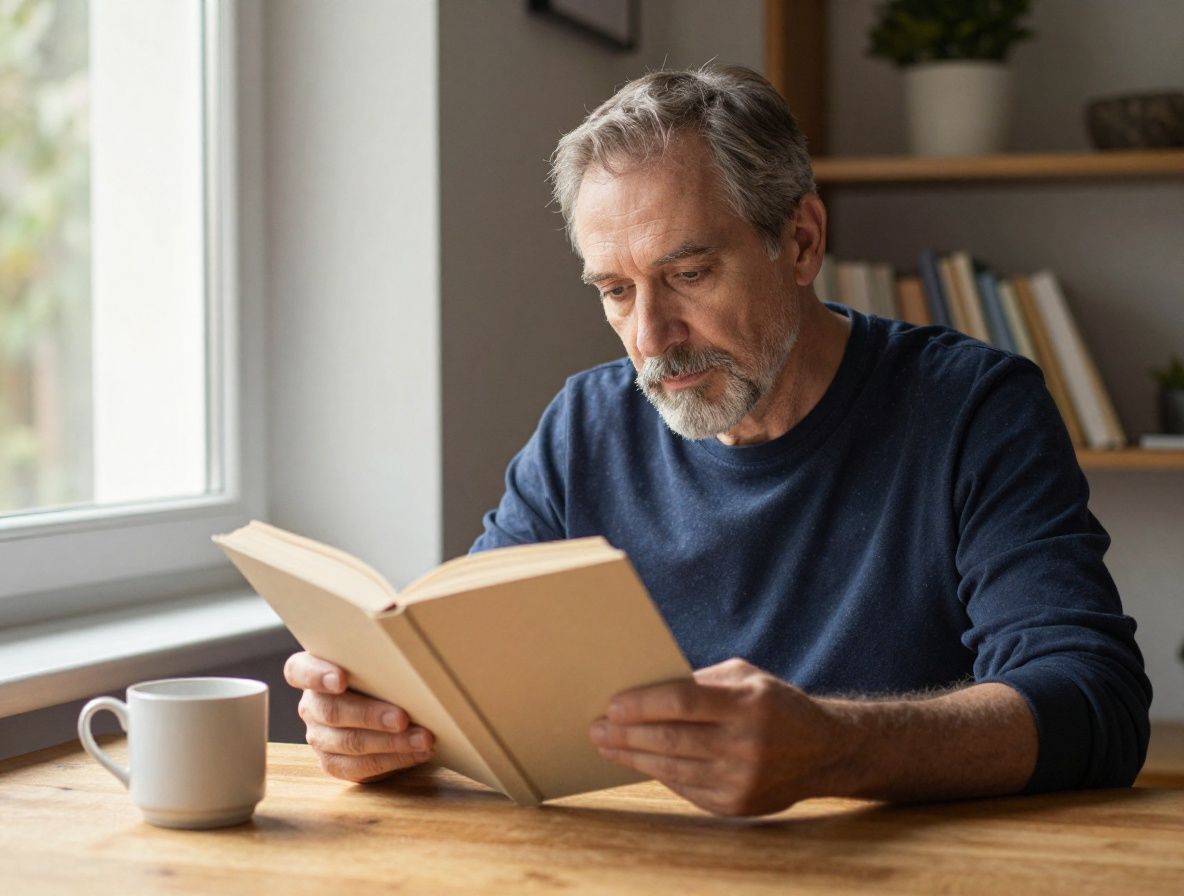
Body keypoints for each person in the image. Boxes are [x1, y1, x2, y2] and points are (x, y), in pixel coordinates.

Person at [284, 65, 1151, 817]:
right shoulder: (584, 427)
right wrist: (385, 725)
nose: (653, 338)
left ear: (801, 240)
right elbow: (470, 673)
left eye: (688, 274)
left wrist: (837, 748)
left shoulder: (973, 409)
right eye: (616, 291)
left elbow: (1094, 700)